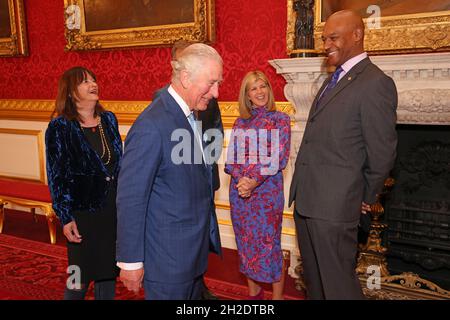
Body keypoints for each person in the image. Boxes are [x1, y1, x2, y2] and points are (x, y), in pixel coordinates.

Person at [289, 10, 398, 299]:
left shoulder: (375, 83)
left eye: (333, 38)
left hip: (336, 209)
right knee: (316, 286)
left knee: (338, 289)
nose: (326, 45)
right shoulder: (333, 80)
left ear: (357, 35)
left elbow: (382, 150)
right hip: (309, 203)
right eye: (324, 39)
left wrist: (366, 196)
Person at [116, 43, 223, 300]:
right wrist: (130, 262)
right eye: (211, 83)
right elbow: (131, 198)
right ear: (185, 78)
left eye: (218, 83)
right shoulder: (152, 125)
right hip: (168, 263)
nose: (216, 92)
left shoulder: (189, 114)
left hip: (191, 255)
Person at [45, 66, 123, 300]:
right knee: (78, 277)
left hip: (112, 209)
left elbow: (117, 161)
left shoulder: (108, 119)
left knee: (108, 272)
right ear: (70, 92)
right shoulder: (59, 127)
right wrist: (65, 216)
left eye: (93, 79)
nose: (93, 84)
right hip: (82, 213)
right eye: (85, 82)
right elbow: (56, 175)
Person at [225, 71, 291, 300]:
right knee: (245, 245)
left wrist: (252, 181)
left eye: (263, 86)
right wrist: (243, 182)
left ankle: (277, 298)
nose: (260, 92)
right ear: (247, 94)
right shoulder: (240, 122)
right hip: (241, 193)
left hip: (266, 196)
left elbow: (278, 157)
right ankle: (255, 296)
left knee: (270, 246)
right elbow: (231, 160)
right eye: (254, 88)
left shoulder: (280, 119)